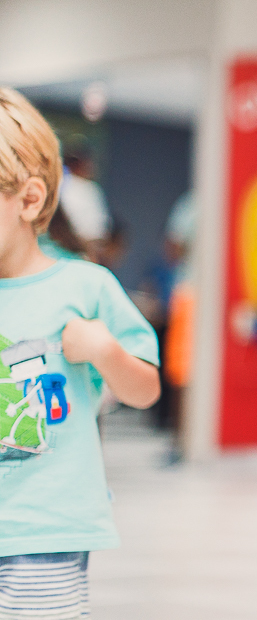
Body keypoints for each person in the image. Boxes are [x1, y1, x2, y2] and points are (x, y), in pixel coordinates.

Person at [0, 87, 161, 618]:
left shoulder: (85, 288)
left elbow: (144, 390)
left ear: (29, 199)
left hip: (43, 532)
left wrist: (106, 351)